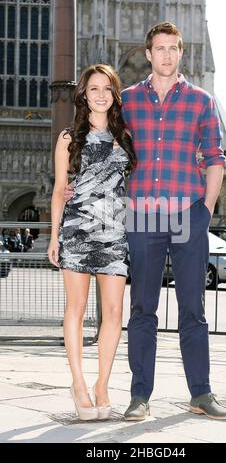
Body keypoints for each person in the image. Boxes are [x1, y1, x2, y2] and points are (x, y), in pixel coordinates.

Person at [120, 22, 226, 421]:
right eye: (159, 48)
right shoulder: (128, 101)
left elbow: (215, 158)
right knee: (143, 309)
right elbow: (114, 153)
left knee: (193, 309)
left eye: (173, 48)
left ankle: (200, 393)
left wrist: (206, 210)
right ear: (148, 54)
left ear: (181, 53)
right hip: (143, 215)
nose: (166, 55)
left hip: (189, 213)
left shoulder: (202, 100)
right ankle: (139, 396)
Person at [47, 64, 136, 421]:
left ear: (115, 95)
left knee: (114, 313)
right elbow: (58, 190)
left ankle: (103, 384)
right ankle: (79, 384)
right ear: (83, 95)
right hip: (78, 231)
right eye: (93, 89)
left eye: (107, 89)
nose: (100, 95)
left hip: (114, 232)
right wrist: (54, 237)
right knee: (77, 309)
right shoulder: (69, 137)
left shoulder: (126, 135)